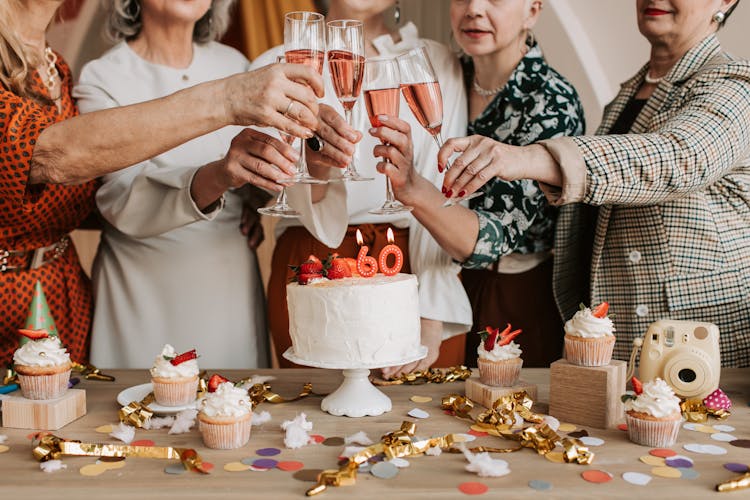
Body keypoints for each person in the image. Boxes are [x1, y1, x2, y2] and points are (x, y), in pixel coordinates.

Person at [0, 0, 324, 367]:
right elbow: (103, 192)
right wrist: (218, 174)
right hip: (140, 289)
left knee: (234, 407)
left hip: (227, 281)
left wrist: (251, 193)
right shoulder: (103, 75)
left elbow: (269, 166)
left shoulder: (236, 65)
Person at [439, 0, 750, 366]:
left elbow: (677, 157)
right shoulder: (631, 92)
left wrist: (525, 157)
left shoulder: (734, 84)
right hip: (622, 338)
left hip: (695, 342)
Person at [252, 0, 473, 376]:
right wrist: (317, 167)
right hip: (312, 263)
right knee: (317, 425)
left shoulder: (435, 60)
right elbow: (276, 188)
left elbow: (443, 186)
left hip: (417, 266)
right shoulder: (274, 64)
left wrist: (431, 312)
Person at [369, 0, 584, 367]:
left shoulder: (551, 101)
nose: (474, 9)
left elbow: (490, 241)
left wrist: (411, 188)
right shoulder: (444, 73)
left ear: (532, 11)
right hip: (437, 284)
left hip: (516, 296)